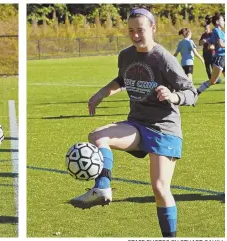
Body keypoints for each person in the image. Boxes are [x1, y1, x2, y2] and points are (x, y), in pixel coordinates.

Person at [70, 8, 197, 238]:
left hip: (164, 129)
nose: (135, 35)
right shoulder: (126, 55)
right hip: (137, 124)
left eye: (140, 30)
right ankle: (102, 187)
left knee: (160, 189)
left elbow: (191, 92)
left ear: (153, 29)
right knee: (98, 136)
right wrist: (100, 94)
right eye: (130, 30)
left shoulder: (164, 59)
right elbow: (122, 79)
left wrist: (173, 96)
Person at [197, 13, 225, 94]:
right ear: (217, 22)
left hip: (223, 58)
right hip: (220, 58)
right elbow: (221, 44)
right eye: (222, 20)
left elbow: (210, 46)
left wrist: (207, 41)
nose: (224, 21)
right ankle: (196, 92)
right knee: (213, 81)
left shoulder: (220, 32)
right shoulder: (216, 30)